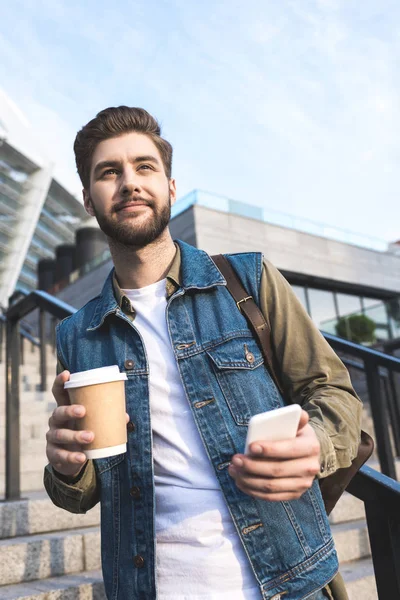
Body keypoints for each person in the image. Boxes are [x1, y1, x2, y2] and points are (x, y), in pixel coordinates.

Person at [44, 106, 362, 600]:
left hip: (285, 580)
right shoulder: (76, 334)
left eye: (144, 167)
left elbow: (334, 393)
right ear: (89, 199)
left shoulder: (248, 280)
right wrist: (66, 468)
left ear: (170, 188)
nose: (129, 183)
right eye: (110, 172)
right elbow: (83, 490)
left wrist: (315, 445)